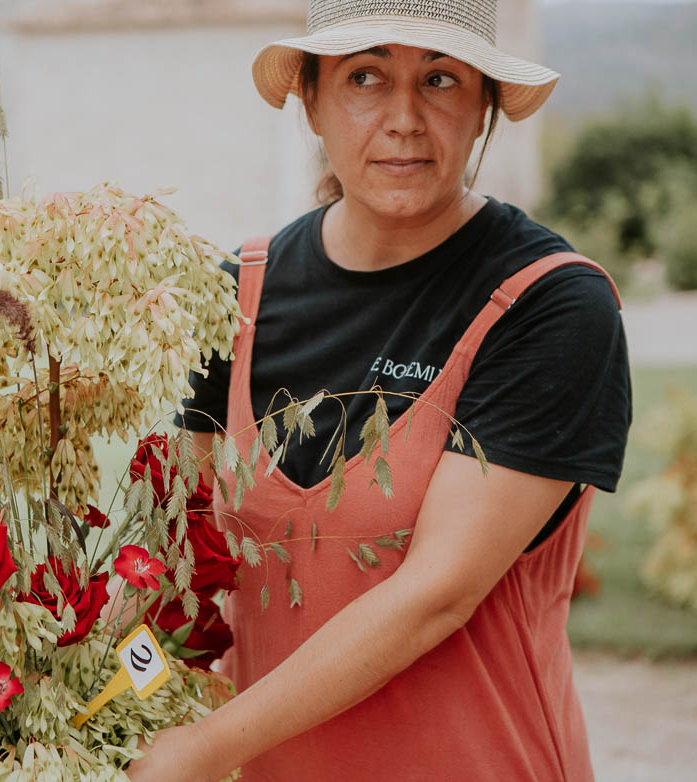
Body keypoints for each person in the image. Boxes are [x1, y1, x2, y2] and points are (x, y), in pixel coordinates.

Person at [125, 2, 631, 781]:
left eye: (439, 80)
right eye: (365, 76)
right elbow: (174, 566)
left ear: (483, 107)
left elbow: (437, 594)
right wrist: (96, 695)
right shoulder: (234, 295)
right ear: (312, 101)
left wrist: (201, 750)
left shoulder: (548, 303)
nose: (403, 118)